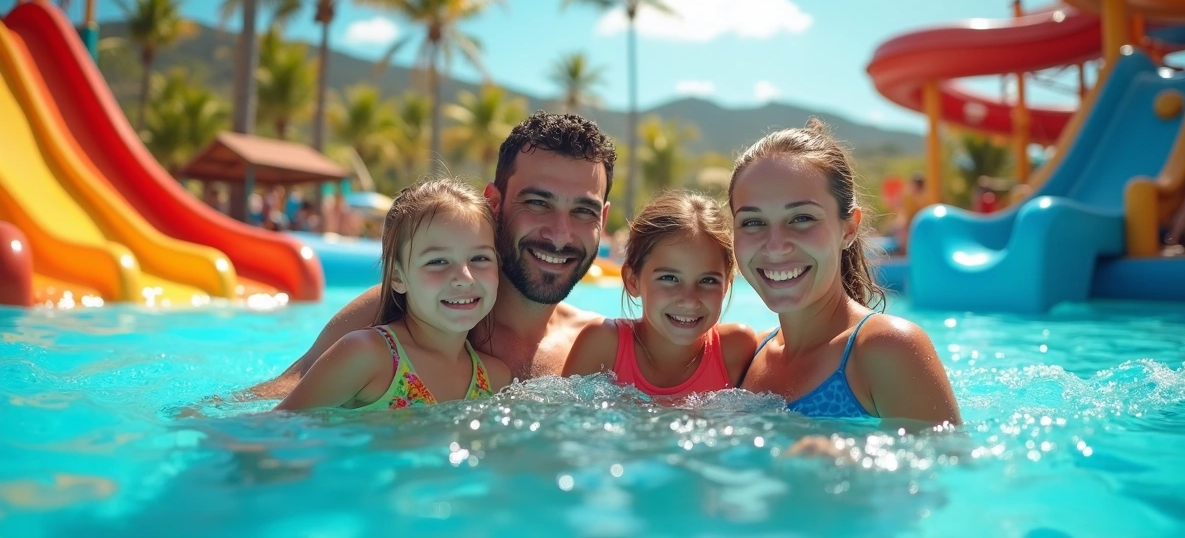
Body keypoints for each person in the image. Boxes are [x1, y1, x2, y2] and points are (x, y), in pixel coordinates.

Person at [247, 113, 616, 398]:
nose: (560, 234)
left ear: (602, 219)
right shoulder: (402, 307)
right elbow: (271, 407)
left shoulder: (605, 350)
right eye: (538, 203)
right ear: (494, 202)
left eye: (583, 211)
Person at [731, 119, 961, 425]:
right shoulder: (745, 357)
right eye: (752, 222)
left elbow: (951, 467)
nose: (775, 246)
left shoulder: (885, 349)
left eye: (801, 218)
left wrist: (849, 458)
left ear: (848, 228)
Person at [275, 179, 511, 411]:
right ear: (397, 277)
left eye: (480, 258)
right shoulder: (367, 357)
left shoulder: (495, 378)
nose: (465, 278)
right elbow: (275, 432)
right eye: (437, 261)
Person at [562, 190, 757, 398]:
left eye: (708, 281)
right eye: (669, 279)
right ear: (632, 281)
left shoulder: (735, 349)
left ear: (726, 285)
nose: (689, 300)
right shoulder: (603, 345)